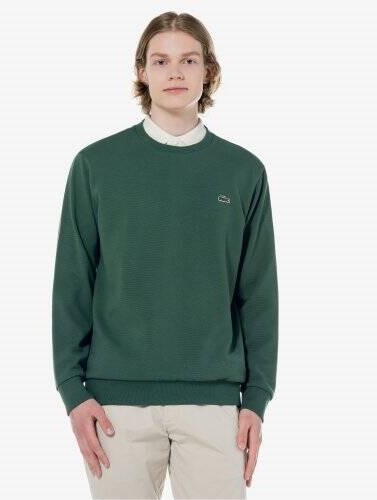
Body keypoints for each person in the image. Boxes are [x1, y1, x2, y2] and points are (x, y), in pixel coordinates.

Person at [52, 11, 279, 499]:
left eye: (188, 60)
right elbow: (72, 284)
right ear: (142, 70)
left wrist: (257, 399)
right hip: (114, 407)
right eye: (161, 61)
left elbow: (258, 294)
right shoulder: (96, 165)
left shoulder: (243, 171)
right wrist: (72, 391)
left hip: (216, 406)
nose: (175, 72)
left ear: (208, 71)